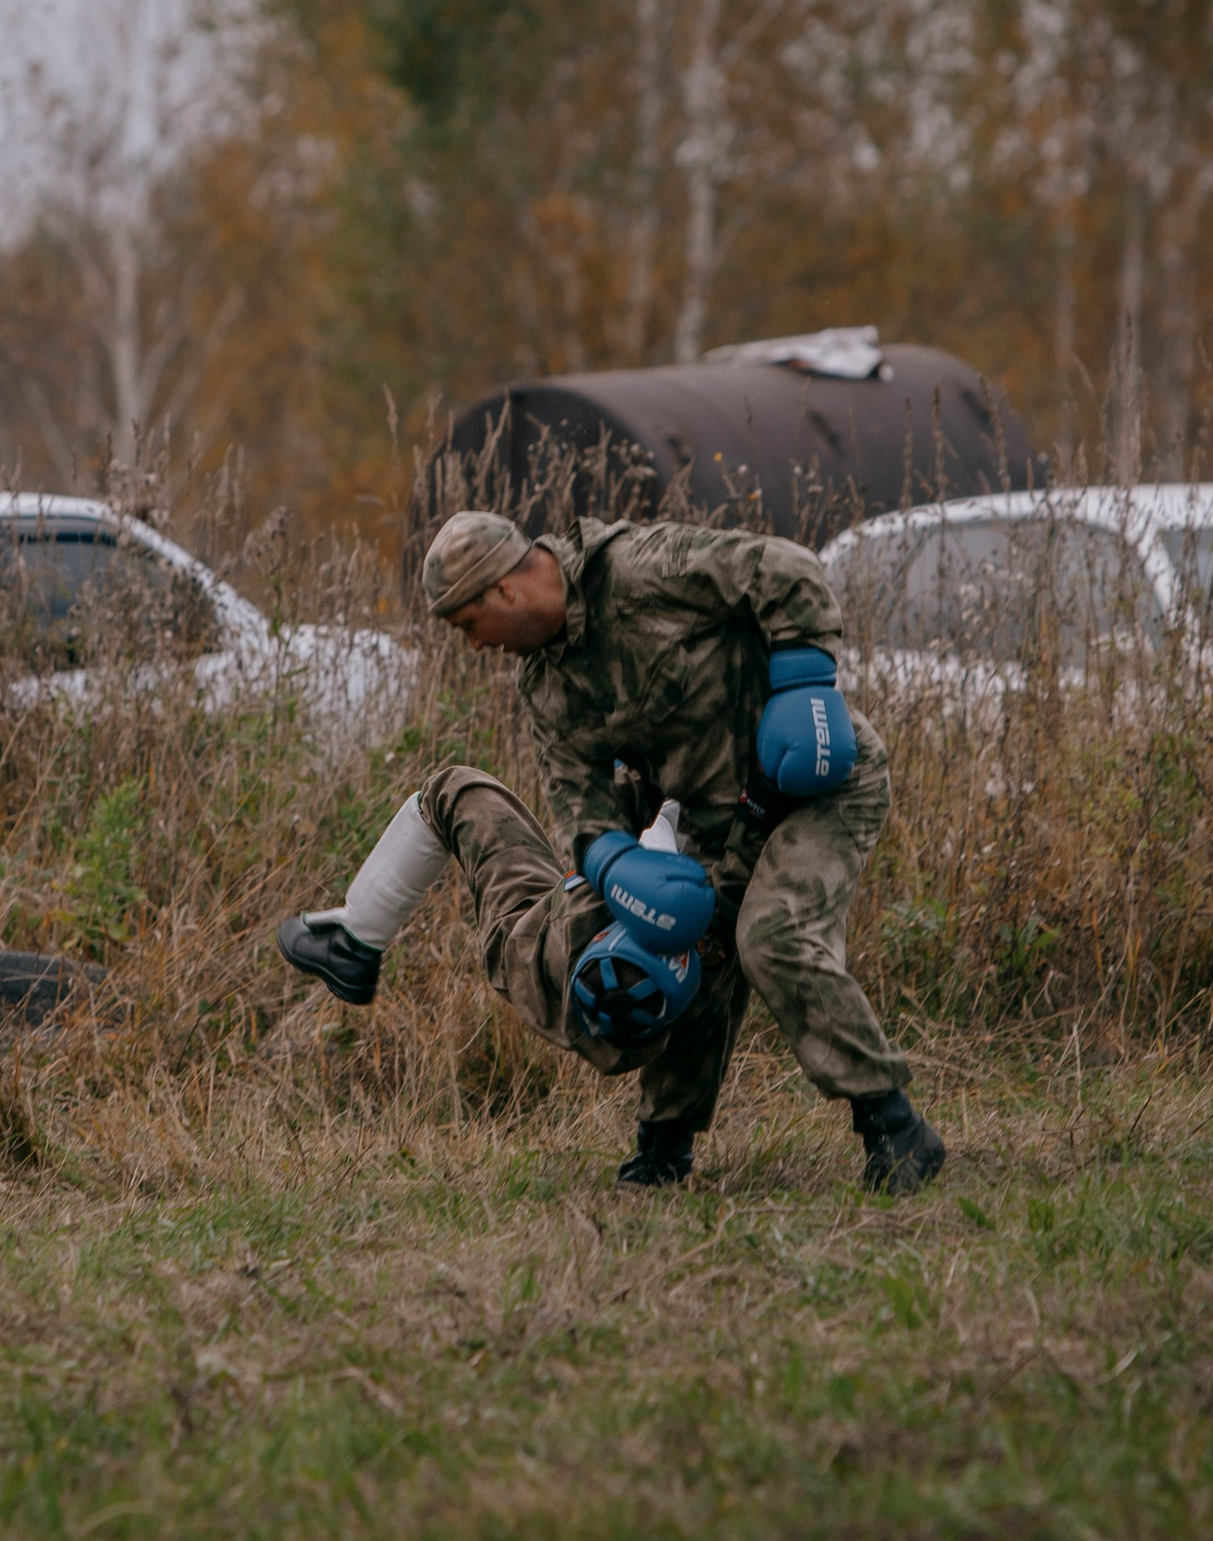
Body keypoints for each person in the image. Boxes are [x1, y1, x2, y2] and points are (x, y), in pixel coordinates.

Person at [278, 509, 944, 1193]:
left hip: (822, 784)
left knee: (771, 936)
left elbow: (785, 569)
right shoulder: (547, 687)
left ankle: (893, 1126)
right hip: (718, 825)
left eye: (466, 625)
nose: (474, 647)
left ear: (502, 592)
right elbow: (579, 804)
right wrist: (616, 864)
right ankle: (664, 1148)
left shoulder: (642, 568)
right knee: (688, 947)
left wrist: (803, 679)